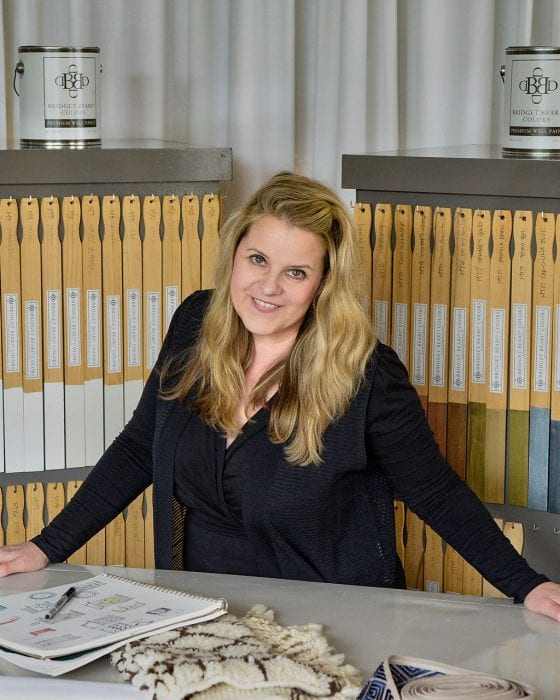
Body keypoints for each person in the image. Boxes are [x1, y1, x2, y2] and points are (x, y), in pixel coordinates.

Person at [0, 171, 559, 622]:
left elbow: (435, 493)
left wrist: (527, 587)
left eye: (296, 272)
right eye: (258, 260)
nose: (268, 288)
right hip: (197, 617)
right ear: (235, 254)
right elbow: (137, 447)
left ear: (323, 284)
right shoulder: (196, 323)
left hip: (329, 626)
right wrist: (43, 548)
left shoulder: (365, 375)